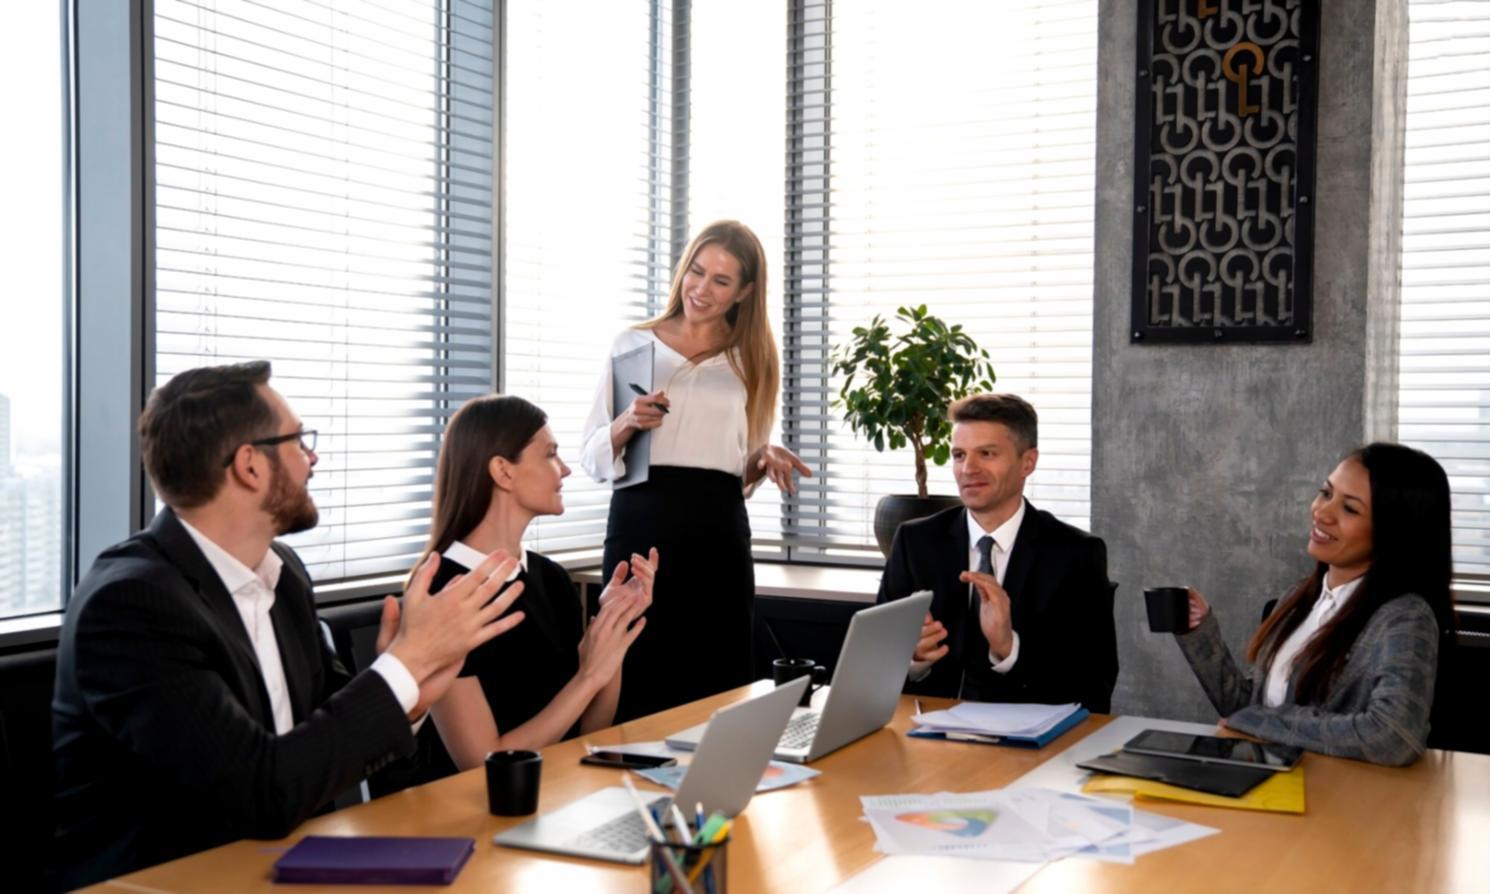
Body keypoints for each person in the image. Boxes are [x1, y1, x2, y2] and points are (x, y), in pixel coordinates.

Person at [51, 362, 525, 889]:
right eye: (299, 442)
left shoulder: (284, 576)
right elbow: (258, 794)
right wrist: (404, 665)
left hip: (285, 868)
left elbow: (321, 731)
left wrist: (413, 693)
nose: (313, 458)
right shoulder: (131, 605)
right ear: (250, 466)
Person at [581, 220, 811, 720]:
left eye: (721, 281)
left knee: (718, 671)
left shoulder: (752, 357)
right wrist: (627, 423)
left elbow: (739, 465)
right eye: (697, 272)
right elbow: (593, 456)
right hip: (643, 522)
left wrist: (763, 458)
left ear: (745, 291)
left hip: (718, 529)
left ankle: (715, 788)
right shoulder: (634, 344)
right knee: (634, 663)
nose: (701, 290)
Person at [1173, 442, 1455, 767]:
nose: (1321, 512)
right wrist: (1200, 631)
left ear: (1394, 532)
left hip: (1342, 803)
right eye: (1325, 492)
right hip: (1274, 786)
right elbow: (1248, 712)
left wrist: (1265, 723)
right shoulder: (1298, 599)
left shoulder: (1404, 617)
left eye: (1349, 509)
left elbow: (1393, 736)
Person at [422, 395, 657, 769]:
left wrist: (612, 629)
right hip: (479, 811)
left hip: (557, 794)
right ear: (503, 471)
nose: (564, 470)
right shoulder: (439, 593)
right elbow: (485, 764)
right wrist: (588, 675)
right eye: (550, 454)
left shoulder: (549, 578)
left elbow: (590, 728)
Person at [877, 393, 1118, 712]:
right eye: (959, 455)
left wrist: (1008, 647)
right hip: (927, 739)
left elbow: (1094, 689)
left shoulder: (1076, 554)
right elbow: (874, 665)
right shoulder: (914, 541)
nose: (967, 469)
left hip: (1028, 748)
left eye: (986, 453)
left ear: (1028, 462)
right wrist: (914, 659)